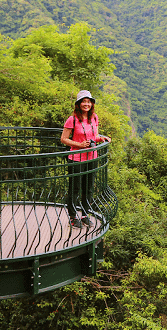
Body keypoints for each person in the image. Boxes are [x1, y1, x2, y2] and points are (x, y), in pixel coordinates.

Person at [60, 90, 111, 229]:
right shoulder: (73, 119)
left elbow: (94, 135)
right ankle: (72, 216)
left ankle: (84, 214)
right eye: (83, 101)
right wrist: (79, 145)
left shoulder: (94, 117)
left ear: (92, 104)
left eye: (88, 101)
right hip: (76, 158)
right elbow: (63, 139)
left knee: (88, 189)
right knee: (75, 188)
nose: (86, 104)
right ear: (78, 104)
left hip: (91, 158)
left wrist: (101, 138)